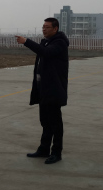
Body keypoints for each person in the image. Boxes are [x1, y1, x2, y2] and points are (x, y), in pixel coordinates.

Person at [15, 18, 69, 165]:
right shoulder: (46, 41)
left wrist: (26, 41)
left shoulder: (59, 43)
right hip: (43, 88)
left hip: (54, 89)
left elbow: (45, 53)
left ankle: (56, 152)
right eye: (43, 27)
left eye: (47, 27)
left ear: (55, 28)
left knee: (55, 123)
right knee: (45, 121)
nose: (44, 29)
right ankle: (44, 148)